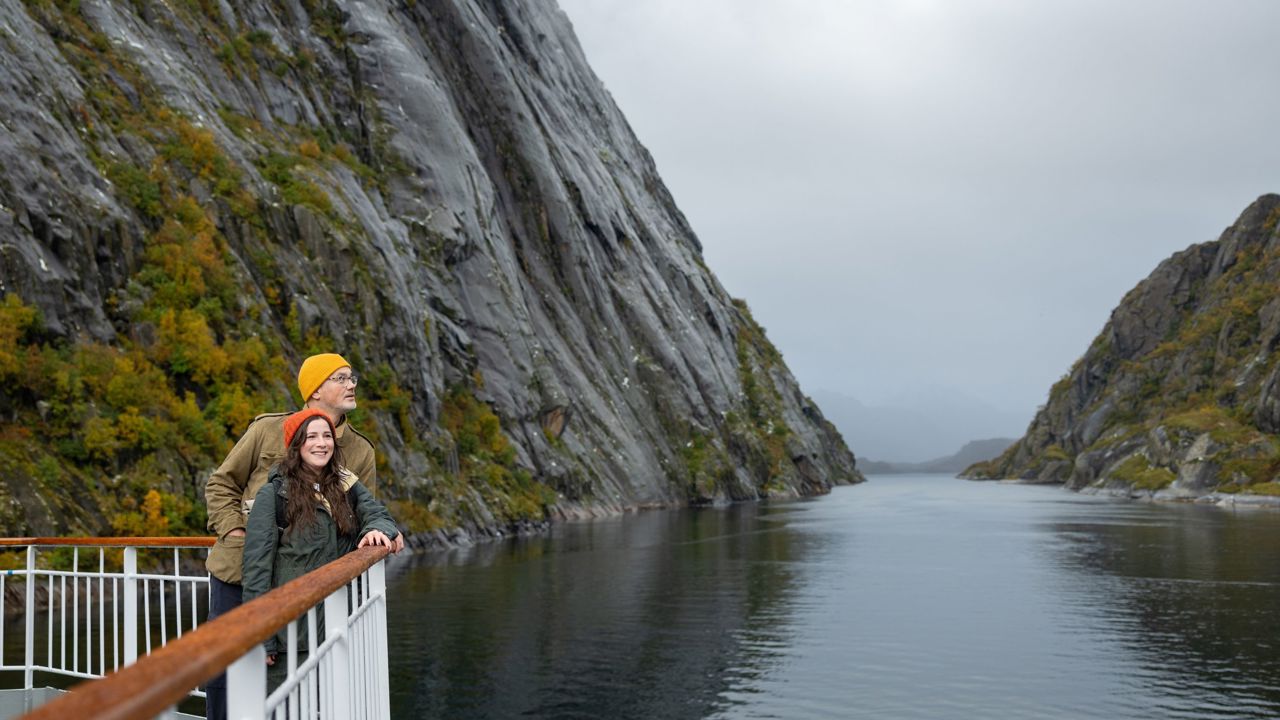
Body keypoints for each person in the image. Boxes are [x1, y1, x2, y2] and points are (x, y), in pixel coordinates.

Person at [203, 352, 402, 720]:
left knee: (292, 677)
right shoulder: (266, 430)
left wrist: (379, 528)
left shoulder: (359, 451)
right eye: (340, 378)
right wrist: (235, 529)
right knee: (225, 671)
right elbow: (221, 484)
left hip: (298, 579)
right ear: (315, 389)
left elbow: (364, 512)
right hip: (239, 569)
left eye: (351, 376)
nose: (351, 384)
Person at [241, 409, 400, 690]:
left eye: (327, 436)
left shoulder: (344, 485)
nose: (321, 443)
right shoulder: (274, 495)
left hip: (339, 624)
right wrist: (260, 637)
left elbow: (378, 514)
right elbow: (256, 570)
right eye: (311, 436)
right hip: (293, 634)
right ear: (296, 445)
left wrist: (377, 530)